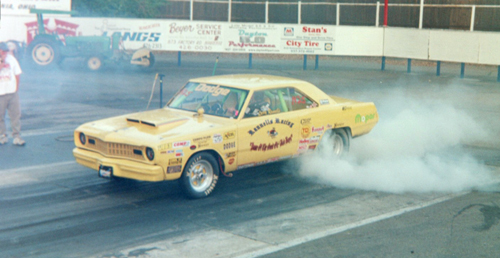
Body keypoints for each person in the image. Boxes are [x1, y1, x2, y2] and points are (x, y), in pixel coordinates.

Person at [0, 42, 24, 146]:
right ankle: (2, 135)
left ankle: (17, 136)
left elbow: (17, 74)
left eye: (6, 51)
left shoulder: (12, 59)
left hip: (12, 93)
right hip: (0, 94)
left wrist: (16, 89)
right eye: (3, 51)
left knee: (15, 115)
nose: (5, 53)